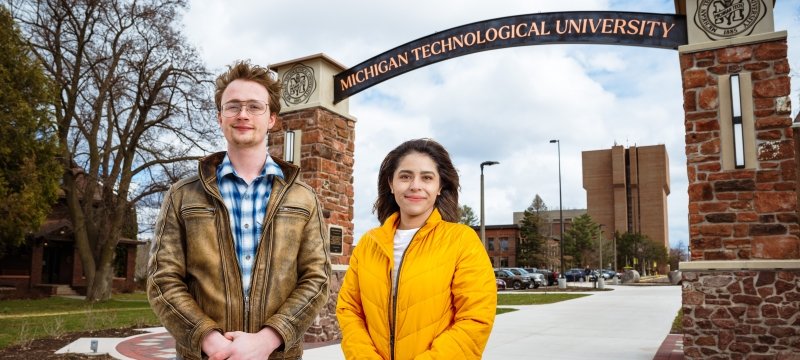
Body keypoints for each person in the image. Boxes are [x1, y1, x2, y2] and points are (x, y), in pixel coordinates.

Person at [147, 60, 330, 360]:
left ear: (271, 118)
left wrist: (269, 339)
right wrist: (207, 338)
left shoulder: (303, 197)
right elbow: (162, 279)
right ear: (220, 117)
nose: (243, 114)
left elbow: (317, 278)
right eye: (233, 106)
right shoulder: (183, 195)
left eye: (254, 107)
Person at [336, 138, 496, 359]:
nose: (415, 185)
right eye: (405, 176)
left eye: (427, 178)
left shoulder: (462, 241)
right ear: (391, 184)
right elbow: (349, 310)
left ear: (439, 187)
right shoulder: (368, 244)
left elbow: (475, 319)